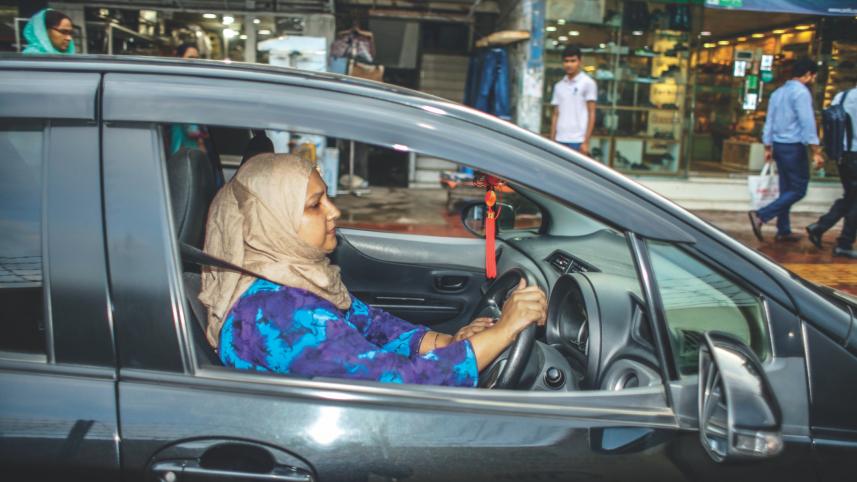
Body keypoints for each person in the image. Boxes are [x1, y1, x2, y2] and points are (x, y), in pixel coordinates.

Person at [199, 154, 547, 386]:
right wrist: (502, 332)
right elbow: (397, 385)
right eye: (315, 205)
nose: (334, 211)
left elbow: (374, 326)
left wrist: (450, 342)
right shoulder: (278, 312)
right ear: (271, 221)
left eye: (327, 198)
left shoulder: (296, 278)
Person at [749, 58, 824, 242]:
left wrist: (768, 146)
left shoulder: (778, 92)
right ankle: (762, 215)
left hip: (778, 146)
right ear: (808, 74)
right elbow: (807, 122)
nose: (813, 79)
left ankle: (783, 229)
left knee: (786, 189)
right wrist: (815, 150)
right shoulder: (801, 93)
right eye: (813, 76)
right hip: (794, 146)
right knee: (798, 189)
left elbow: (769, 122)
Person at [806, 83, 857, 258]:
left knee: (851, 197)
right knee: (854, 200)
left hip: (842, 155)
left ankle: (819, 227)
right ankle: (844, 243)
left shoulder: (841, 96)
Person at [550, 45, 597, 155]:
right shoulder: (559, 86)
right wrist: (552, 139)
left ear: (580, 62)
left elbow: (591, 113)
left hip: (578, 140)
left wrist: (586, 142)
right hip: (560, 139)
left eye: (573, 61)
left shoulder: (588, 83)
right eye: (566, 61)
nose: (569, 64)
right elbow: (556, 114)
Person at [169, 43, 207, 154]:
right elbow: (191, 128)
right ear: (179, 58)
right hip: (184, 146)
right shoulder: (181, 83)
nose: (194, 61)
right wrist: (201, 140)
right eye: (190, 58)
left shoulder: (189, 81)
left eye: (196, 58)